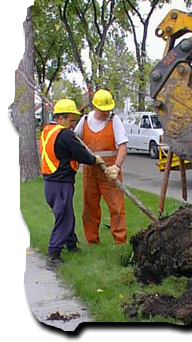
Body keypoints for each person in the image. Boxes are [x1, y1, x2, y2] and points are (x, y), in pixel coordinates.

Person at [40, 98, 104, 264]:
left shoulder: (48, 131)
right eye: (71, 120)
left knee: (66, 214)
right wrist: (94, 160)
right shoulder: (65, 134)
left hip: (50, 184)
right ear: (61, 118)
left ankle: (71, 245)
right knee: (64, 218)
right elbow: (81, 154)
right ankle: (53, 253)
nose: (72, 124)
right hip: (61, 184)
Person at [74, 89, 128, 245]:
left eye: (108, 109)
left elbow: (123, 146)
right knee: (89, 207)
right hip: (90, 171)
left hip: (110, 172)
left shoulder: (114, 121)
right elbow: (75, 140)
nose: (106, 112)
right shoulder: (84, 120)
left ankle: (120, 241)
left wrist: (116, 167)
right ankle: (92, 241)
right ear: (95, 107)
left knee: (116, 207)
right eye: (103, 110)